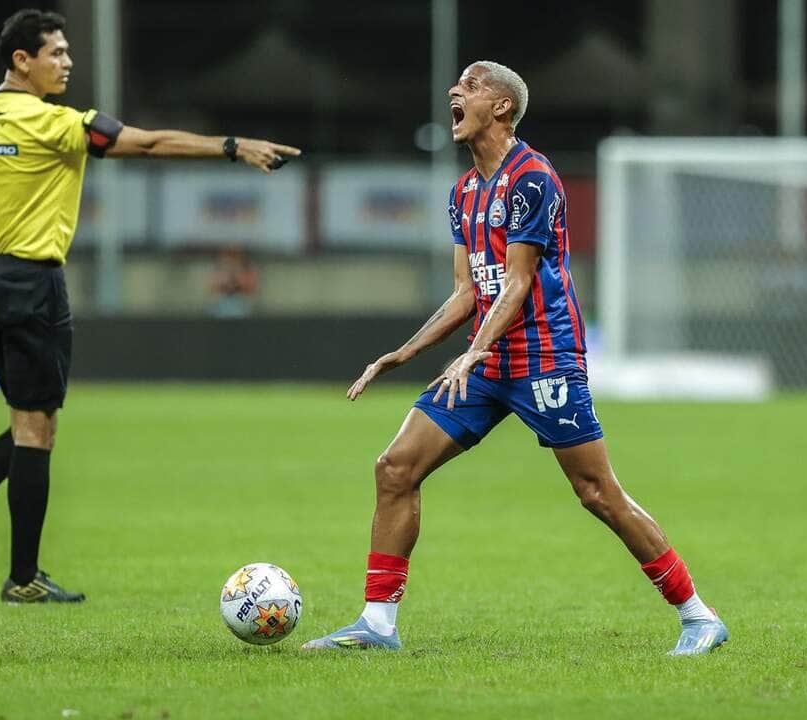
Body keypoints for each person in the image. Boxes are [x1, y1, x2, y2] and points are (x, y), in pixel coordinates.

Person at [302, 61, 727, 655]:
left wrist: (473, 350)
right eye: (458, 85)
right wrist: (401, 354)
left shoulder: (533, 178)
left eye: (471, 86)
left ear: (502, 107)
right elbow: (468, 292)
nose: (456, 91)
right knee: (395, 468)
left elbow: (519, 283)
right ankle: (377, 623)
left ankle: (699, 616)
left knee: (597, 493)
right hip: (484, 368)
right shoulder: (464, 193)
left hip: (544, 360)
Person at [0, 8, 300, 603]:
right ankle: (13, 573)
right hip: (30, 282)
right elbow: (145, 144)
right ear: (22, 60)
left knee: (26, 423)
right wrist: (231, 146)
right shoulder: (57, 123)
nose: (67, 62)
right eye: (56, 52)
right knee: (37, 429)